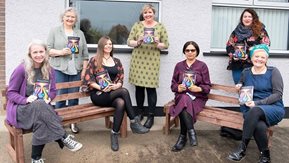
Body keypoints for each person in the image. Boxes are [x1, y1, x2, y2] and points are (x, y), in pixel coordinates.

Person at [6, 39, 83, 163]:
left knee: (41, 121)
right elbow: (10, 93)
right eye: (35, 52)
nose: (38, 55)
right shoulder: (22, 69)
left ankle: (35, 158)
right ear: (30, 54)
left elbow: (52, 91)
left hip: (41, 110)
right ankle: (63, 136)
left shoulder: (49, 69)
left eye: (41, 51)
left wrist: (49, 98)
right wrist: (25, 99)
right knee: (40, 105)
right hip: (21, 110)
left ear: (45, 52)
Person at [83, 36, 149, 152]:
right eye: (106, 44)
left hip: (113, 93)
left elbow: (120, 78)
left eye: (110, 44)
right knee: (124, 92)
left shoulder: (117, 61)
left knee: (121, 102)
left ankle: (114, 134)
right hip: (99, 95)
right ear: (101, 46)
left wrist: (117, 85)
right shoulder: (94, 60)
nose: (109, 46)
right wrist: (102, 88)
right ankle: (133, 122)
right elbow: (88, 79)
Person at [227, 44, 285, 163]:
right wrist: (239, 85)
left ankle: (242, 148)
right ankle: (265, 155)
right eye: (256, 56)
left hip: (272, 107)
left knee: (255, 110)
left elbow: (278, 94)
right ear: (251, 58)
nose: (259, 59)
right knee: (259, 125)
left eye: (262, 57)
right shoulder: (246, 71)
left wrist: (257, 103)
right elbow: (242, 82)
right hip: (249, 107)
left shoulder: (273, 71)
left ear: (266, 59)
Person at [222, 8, 270, 140]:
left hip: (253, 67)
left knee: (254, 93)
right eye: (245, 17)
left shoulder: (260, 31)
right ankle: (247, 121)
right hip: (237, 67)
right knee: (243, 93)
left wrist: (249, 54)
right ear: (242, 19)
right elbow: (228, 46)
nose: (247, 19)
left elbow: (266, 46)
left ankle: (256, 122)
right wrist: (235, 55)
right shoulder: (236, 31)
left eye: (249, 16)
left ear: (253, 18)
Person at [47, 7, 89, 134]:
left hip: (76, 69)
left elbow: (85, 54)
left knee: (73, 98)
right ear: (63, 18)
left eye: (73, 17)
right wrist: (60, 52)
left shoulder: (79, 33)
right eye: (68, 16)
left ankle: (73, 122)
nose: (70, 19)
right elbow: (48, 49)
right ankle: (59, 123)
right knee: (60, 97)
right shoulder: (55, 31)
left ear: (75, 19)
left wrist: (84, 70)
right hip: (60, 69)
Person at [127, 4, 169, 128]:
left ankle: (151, 116)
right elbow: (129, 42)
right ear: (143, 14)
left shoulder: (160, 27)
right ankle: (140, 113)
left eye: (150, 12)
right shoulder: (137, 25)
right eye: (145, 13)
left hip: (152, 61)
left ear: (153, 13)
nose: (148, 15)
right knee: (139, 88)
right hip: (138, 60)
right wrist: (138, 41)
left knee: (151, 89)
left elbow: (166, 44)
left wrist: (157, 43)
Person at [169, 41, 211, 152]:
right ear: (184, 52)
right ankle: (191, 131)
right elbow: (173, 84)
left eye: (193, 50)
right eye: (187, 50)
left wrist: (199, 88)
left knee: (184, 105)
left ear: (197, 52)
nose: (190, 52)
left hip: (197, 98)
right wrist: (178, 87)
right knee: (184, 99)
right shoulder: (179, 66)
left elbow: (207, 86)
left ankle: (182, 137)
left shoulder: (202, 66)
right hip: (182, 95)